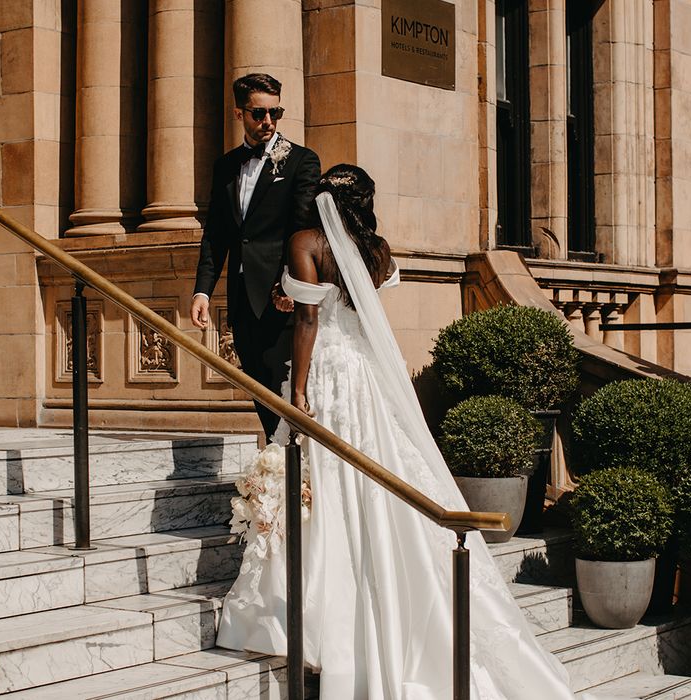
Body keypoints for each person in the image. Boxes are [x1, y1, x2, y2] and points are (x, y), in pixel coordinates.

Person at [216, 165, 582, 699]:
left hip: (329, 369)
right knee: (374, 474)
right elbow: (357, 307)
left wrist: (296, 393)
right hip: (366, 372)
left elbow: (309, 322)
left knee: (329, 478)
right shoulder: (377, 249)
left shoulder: (305, 241)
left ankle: (316, 613)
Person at [191, 73, 321, 439]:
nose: (268, 122)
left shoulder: (301, 161)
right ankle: (279, 471)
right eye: (259, 113)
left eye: (275, 112)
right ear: (239, 114)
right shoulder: (226, 166)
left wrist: (287, 284)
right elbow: (216, 234)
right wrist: (203, 290)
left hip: (284, 299)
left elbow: (302, 229)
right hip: (242, 298)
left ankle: (297, 474)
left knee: (287, 388)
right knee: (258, 386)